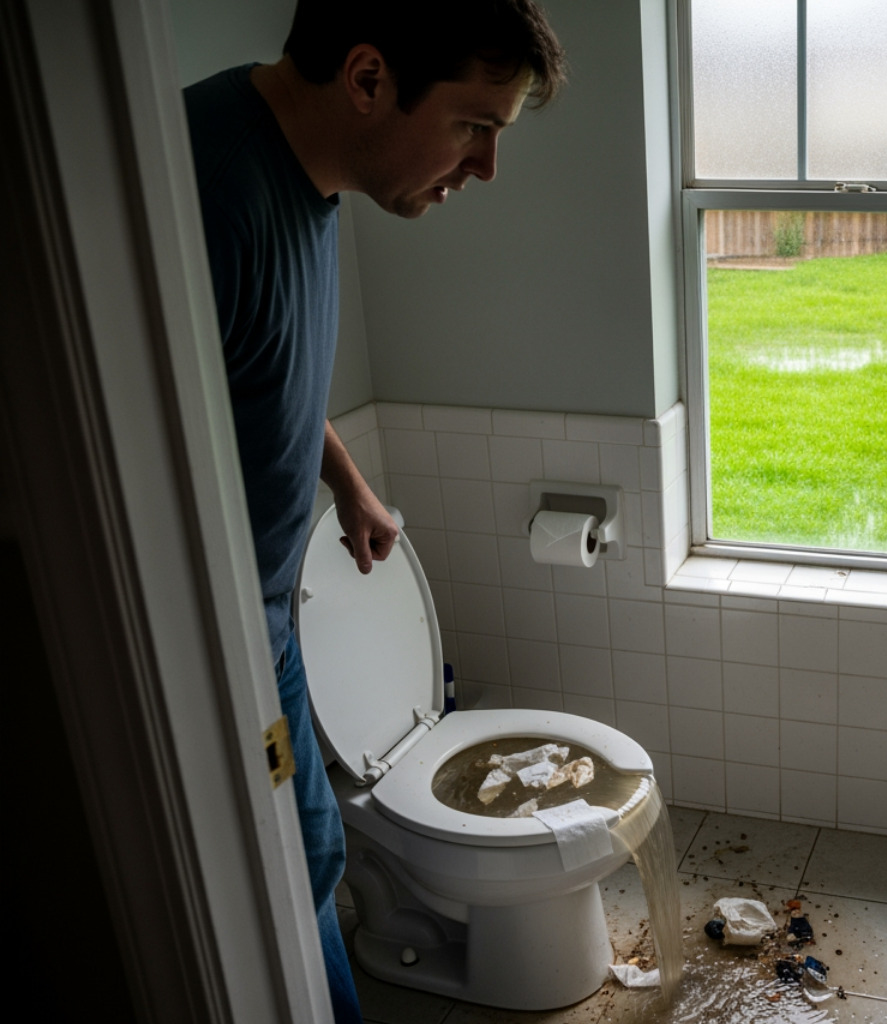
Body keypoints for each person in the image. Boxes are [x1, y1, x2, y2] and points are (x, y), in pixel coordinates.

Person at [182, 2, 566, 1019]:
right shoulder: (204, 197)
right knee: (283, 880)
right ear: (366, 78)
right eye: (473, 125)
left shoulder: (307, 178)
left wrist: (346, 480)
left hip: (267, 628)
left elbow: (255, 375)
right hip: (207, 655)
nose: (486, 167)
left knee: (311, 858)